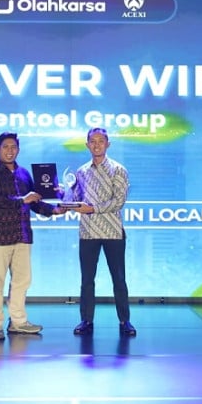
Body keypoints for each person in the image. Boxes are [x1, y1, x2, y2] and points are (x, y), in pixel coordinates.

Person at [0, 131, 65, 341]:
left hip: (22, 235)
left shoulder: (24, 173)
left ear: (18, 149)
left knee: (22, 281)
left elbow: (34, 201)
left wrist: (54, 210)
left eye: (13, 147)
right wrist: (22, 200)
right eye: (5, 147)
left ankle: (18, 322)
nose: (10, 151)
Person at [62, 127, 136, 337]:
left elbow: (119, 201)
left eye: (100, 141)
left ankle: (125, 320)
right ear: (87, 145)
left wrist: (92, 208)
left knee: (119, 279)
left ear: (108, 144)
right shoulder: (81, 171)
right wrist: (62, 193)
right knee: (87, 280)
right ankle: (86, 320)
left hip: (112, 232)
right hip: (88, 232)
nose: (96, 145)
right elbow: (76, 199)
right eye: (92, 141)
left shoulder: (118, 170)